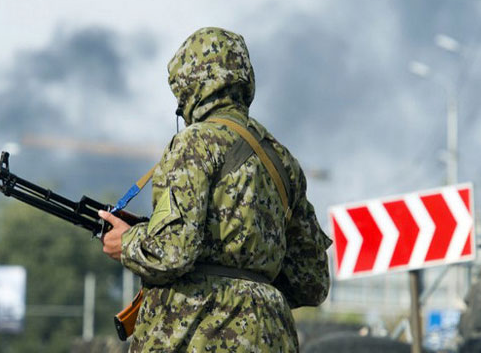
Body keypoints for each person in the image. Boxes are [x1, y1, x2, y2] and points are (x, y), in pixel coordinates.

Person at [99, 27, 332, 352]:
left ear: (190, 84)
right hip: (271, 336)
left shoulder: (193, 143)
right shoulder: (283, 161)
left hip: (198, 333)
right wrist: (251, 283)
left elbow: (172, 253)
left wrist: (126, 242)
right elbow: (313, 282)